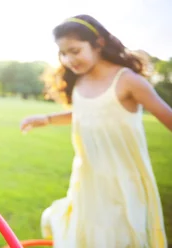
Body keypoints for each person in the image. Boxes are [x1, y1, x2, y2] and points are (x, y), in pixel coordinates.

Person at [20, 15, 171, 248]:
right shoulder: (81, 81)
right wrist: (47, 119)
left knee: (117, 238)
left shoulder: (128, 81)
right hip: (87, 177)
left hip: (123, 181)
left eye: (75, 50)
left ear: (98, 43)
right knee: (87, 235)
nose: (68, 59)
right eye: (63, 53)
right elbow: (87, 112)